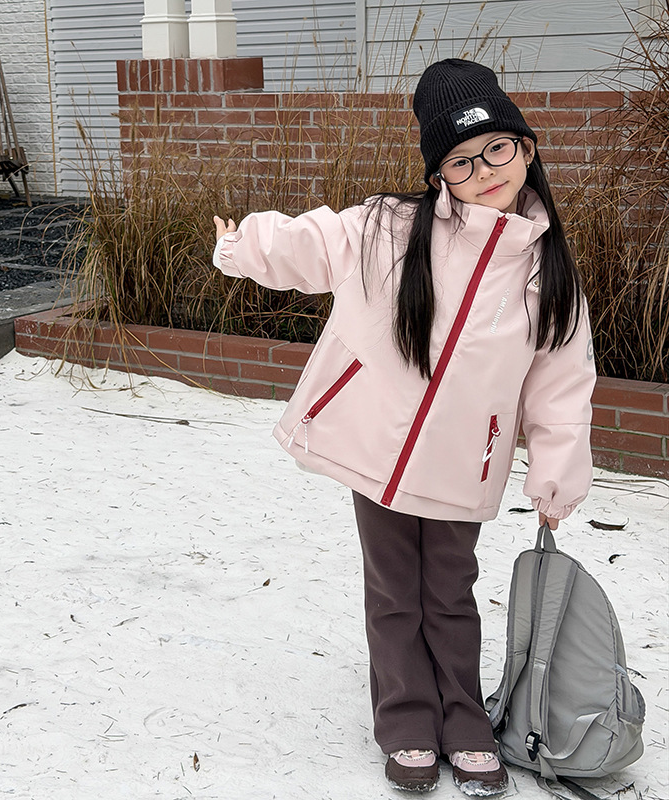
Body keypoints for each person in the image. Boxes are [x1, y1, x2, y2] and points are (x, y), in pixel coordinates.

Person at [212, 58, 596, 796]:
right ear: (437, 174)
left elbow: (561, 383)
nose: (484, 170)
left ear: (527, 149)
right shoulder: (391, 228)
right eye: (460, 159)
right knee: (394, 591)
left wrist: (556, 468)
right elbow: (314, 242)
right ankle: (407, 720)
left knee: (449, 591)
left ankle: (464, 720)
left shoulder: (550, 272)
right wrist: (244, 245)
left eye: (497, 150)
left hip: (464, 461)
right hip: (376, 447)